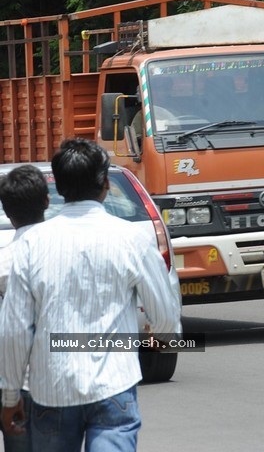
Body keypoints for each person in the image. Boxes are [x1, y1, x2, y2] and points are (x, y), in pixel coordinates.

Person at [0, 139, 181, 452]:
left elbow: (15, 331)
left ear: (59, 189)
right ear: (106, 184)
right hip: (114, 387)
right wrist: (165, 337)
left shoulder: (30, 246)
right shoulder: (132, 240)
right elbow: (164, 314)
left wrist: (10, 395)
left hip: (51, 390)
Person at [0, 165, 49, 451]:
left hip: (19, 385)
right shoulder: (70, 254)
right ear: (46, 201)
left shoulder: (6, 264)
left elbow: (12, 333)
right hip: (65, 382)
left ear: (7, 212)